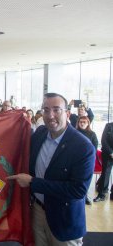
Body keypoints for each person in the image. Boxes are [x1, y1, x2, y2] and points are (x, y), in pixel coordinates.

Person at [8, 93, 95, 245]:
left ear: (67, 113)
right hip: (37, 212)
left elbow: (78, 190)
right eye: (46, 110)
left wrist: (33, 183)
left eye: (56, 110)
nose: (50, 115)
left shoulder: (83, 146)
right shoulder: (40, 134)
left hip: (64, 219)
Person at [76, 116, 98, 205]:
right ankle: (79, 197)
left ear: (88, 123)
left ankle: (85, 197)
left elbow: (95, 147)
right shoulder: (74, 133)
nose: (82, 123)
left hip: (87, 161)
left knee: (86, 180)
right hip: (75, 160)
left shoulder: (92, 134)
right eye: (80, 122)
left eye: (84, 122)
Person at [93, 122, 113, 202]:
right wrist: (111, 153)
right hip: (107, 153)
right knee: (105, 174)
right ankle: (102, 194)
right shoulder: (108, 126)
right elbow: (103, 140)